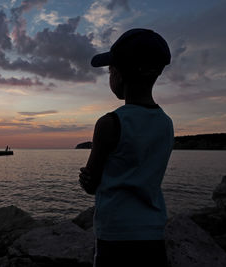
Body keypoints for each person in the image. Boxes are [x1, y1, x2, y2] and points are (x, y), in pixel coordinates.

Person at [79, 29, 173, 267]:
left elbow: (92, 184)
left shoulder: (110, 123)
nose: (110, 75)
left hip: (115, 232)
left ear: (120, 75)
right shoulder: (166, 123)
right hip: (153, 230)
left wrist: (86, 179)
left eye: (110, 70)